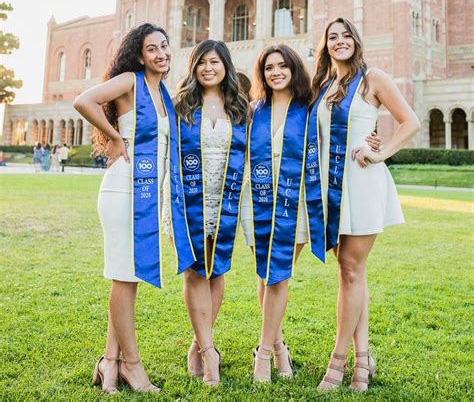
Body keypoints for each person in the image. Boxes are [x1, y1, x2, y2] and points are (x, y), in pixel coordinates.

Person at [240, 44, 380, 383]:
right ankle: (277, 349)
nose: (276, 72)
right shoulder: (252, 111)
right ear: (262, 73)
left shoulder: (309, 108)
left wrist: (371, 140)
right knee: (266, 275)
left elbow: (337, 135)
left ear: (294, 70)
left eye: (282, 66)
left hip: (296, 202)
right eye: (269, 67)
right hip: (257, 201)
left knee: (279, 273)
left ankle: (266, 354)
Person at [74, 23, 194, 395]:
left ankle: (110, 362)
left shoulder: (163, 95)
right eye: (152, 49)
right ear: (139, 55)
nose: (161, 54)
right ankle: (132, 365)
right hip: (122, 189)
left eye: (165, 47)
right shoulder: (130, 81)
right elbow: (84, 100)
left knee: (128, 279)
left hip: (144, 195)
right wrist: (113, 137)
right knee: (124, 277)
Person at [311, 18, 420, 393]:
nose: (339, 42)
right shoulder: (325, 86)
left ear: (356, 41)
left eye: (345, 36)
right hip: (332, 187)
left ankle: (338, 364)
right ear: (325, 45)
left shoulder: (374, 78)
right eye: (332, 37)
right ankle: (362, 360)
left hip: (361, 182)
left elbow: (410, 121)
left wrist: (380, 153)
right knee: (349, 274)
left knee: (352, 270)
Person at [174, 40, 248, 387]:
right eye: (201, 62)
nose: (207, 68)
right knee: (194, 272)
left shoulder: (240, 108)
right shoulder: (182, 106)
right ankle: (208, 351)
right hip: (191, 198)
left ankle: (198, 344)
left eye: (214, 62)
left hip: (226, 199)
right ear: (193, 67)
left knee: (217, 272)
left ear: (225, 66)